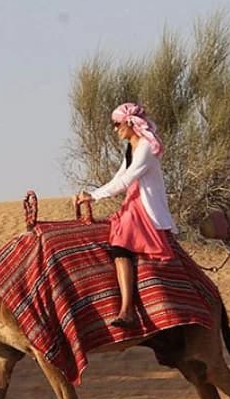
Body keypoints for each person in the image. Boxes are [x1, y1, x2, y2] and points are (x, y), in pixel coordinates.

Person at [74, 102, 176, 328]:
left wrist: (94, 196)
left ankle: (127, 310)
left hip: (144, 206)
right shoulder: (132, 148)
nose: (115, 129)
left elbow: (126, 180)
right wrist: (92, 193)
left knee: (120, 246)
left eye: (117, 124)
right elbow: (119, 176)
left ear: (130, 122)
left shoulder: (147, 148)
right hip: (132, 202)